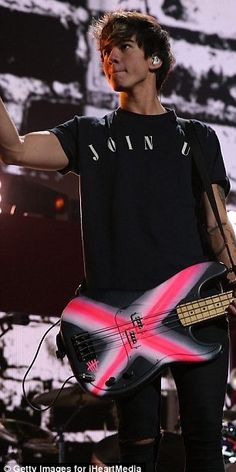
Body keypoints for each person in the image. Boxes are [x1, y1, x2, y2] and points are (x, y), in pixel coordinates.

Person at [1, 9, 236, 472]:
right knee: (136, 449)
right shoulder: (88, 135)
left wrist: (233, 277)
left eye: (124, 46)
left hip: (196, 308)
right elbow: (15, 148)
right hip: (123, 323)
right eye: (106, 51)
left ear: (154, 60)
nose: (112, 57)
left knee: (206, 447)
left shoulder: (196, 137)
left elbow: (217, 227)